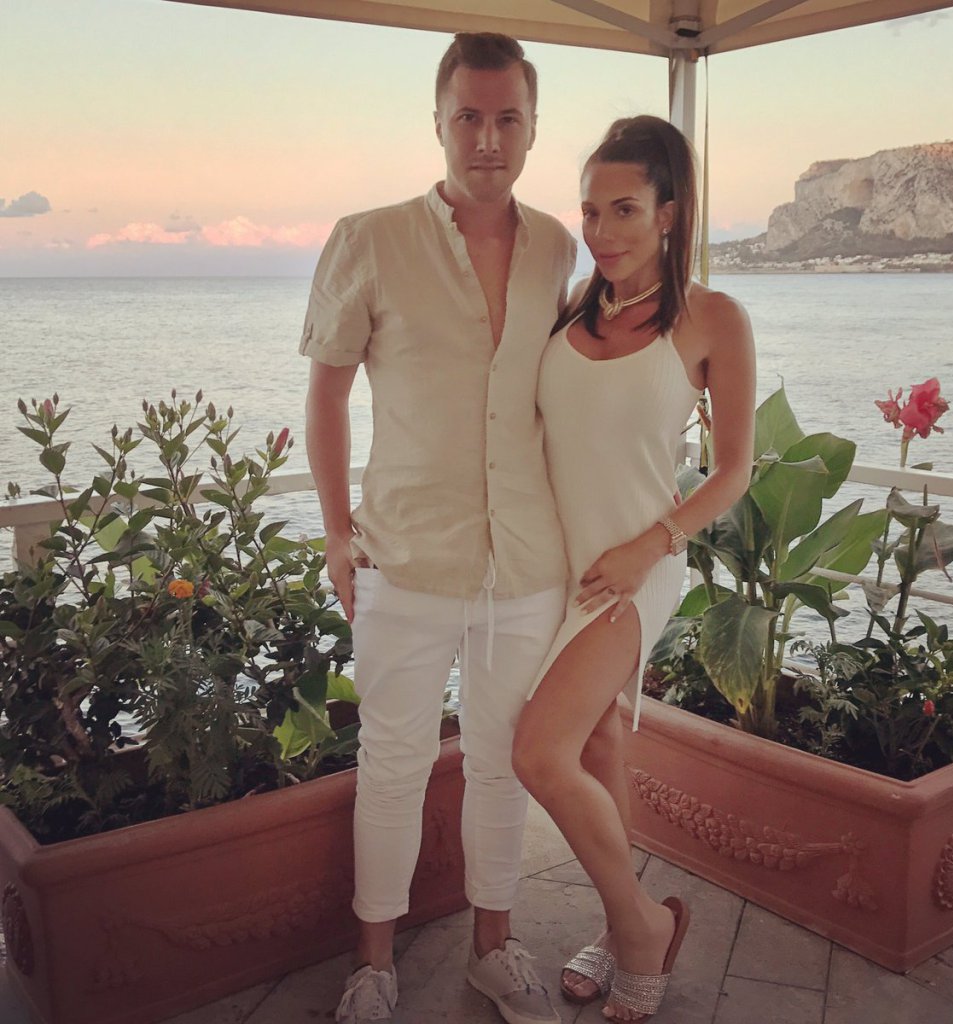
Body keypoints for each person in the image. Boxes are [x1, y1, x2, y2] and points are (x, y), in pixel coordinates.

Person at [300, 32, 577, 1024]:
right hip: (406, 557)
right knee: (393, 765)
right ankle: (373, 966)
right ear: (438, 121)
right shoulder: (368, 239)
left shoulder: (559, 246)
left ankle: (494, 950)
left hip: (526, 564)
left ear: (532, 127)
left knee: (502, 764)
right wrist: (337, 533)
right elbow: (325, 396)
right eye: (469, 116)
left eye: (507, 119)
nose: (488, 138)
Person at [511, 115, 756, 1024]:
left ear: (668, 213)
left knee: (540, 753)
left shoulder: (713, 319)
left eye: (623, 209)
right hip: (559, 565)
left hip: (635, 567)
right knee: (601, 747)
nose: (601, 230)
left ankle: (642, 926)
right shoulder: (573, 305)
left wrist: (650, 545)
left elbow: (734, 470)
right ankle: (620, 927)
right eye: (590, 210)